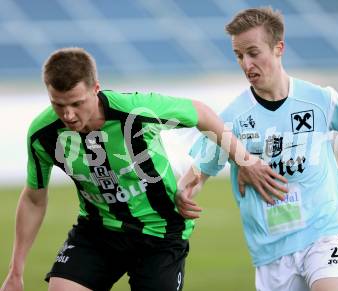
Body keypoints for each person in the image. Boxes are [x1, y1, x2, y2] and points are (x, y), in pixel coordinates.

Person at [176, 7, 338, 291]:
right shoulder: (231, 119)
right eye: (239, 56)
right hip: (271, 250)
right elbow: (198, 175)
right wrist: (183, 193)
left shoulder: (319, 99)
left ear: (279, 48)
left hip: (324, 232)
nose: (246, 63)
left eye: (253, 52)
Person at [0, 47, 287, 291]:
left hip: (160, 233)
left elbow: (202, 114)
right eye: (58, 105)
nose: (68, 115)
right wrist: (16, 270)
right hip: (98, 231)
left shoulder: (136, 111)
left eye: (76, 103)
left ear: (95, 89)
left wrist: (245, 160)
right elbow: (34, 198)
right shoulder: (43, 134)